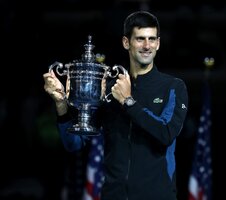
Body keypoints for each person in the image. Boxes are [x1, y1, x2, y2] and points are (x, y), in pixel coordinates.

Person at [43, 10, 189, 200]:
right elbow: (74, 144)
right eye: (140, 39)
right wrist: (61, 104)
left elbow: (166, 133)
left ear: (158, 44)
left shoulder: (173, 87)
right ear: (126, 42)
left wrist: (129, 102)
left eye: (152, 39)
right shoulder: (110, 89)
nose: (147, 46)